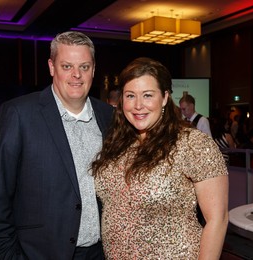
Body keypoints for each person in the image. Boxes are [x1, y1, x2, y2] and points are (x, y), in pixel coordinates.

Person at [0, 31, 114, 260]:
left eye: (84, 66)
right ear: (52, 67)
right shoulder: (18, 114)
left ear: (94, 69)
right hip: (40, 254)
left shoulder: (109, 116)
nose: (76, 75)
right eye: (67, 66)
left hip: (100, 253)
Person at [91, 57, 229, 259]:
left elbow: (218, 219)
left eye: (148, 95)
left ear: (164, 97)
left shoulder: (192, 143)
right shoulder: (116, 143)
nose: (138, 105)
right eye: (130, 96)